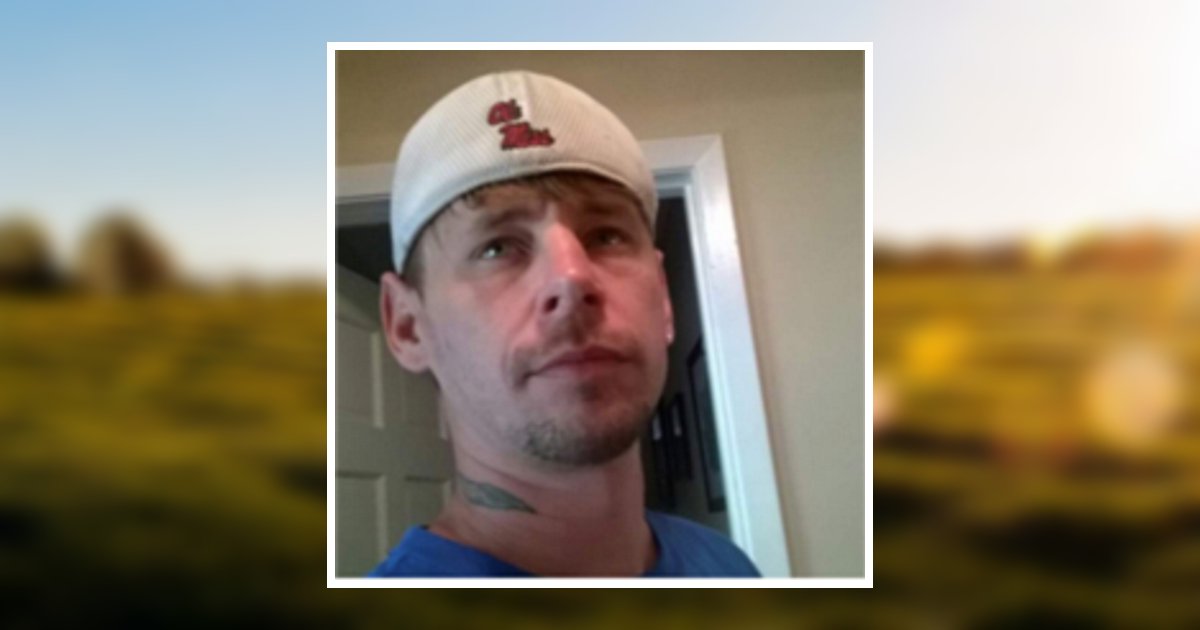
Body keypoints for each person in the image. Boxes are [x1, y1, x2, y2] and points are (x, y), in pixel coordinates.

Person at [368, 70, 760, 577]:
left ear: (663, 298)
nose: (572, 278)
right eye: (497, 248)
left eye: (606, 236)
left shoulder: (729, 566)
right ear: (407, 326)